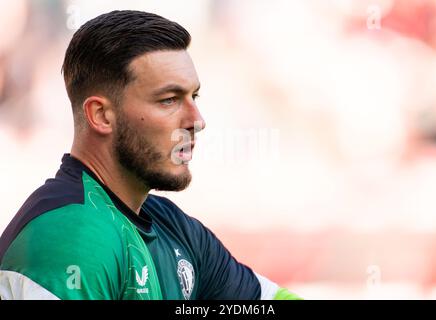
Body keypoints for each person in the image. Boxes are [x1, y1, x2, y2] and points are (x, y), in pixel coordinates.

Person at [0, 10, 300, 300]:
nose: (197, 120)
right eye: (169, 100)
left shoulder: (172, 226)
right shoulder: (71, 234)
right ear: (102, 115)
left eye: (193, 97)